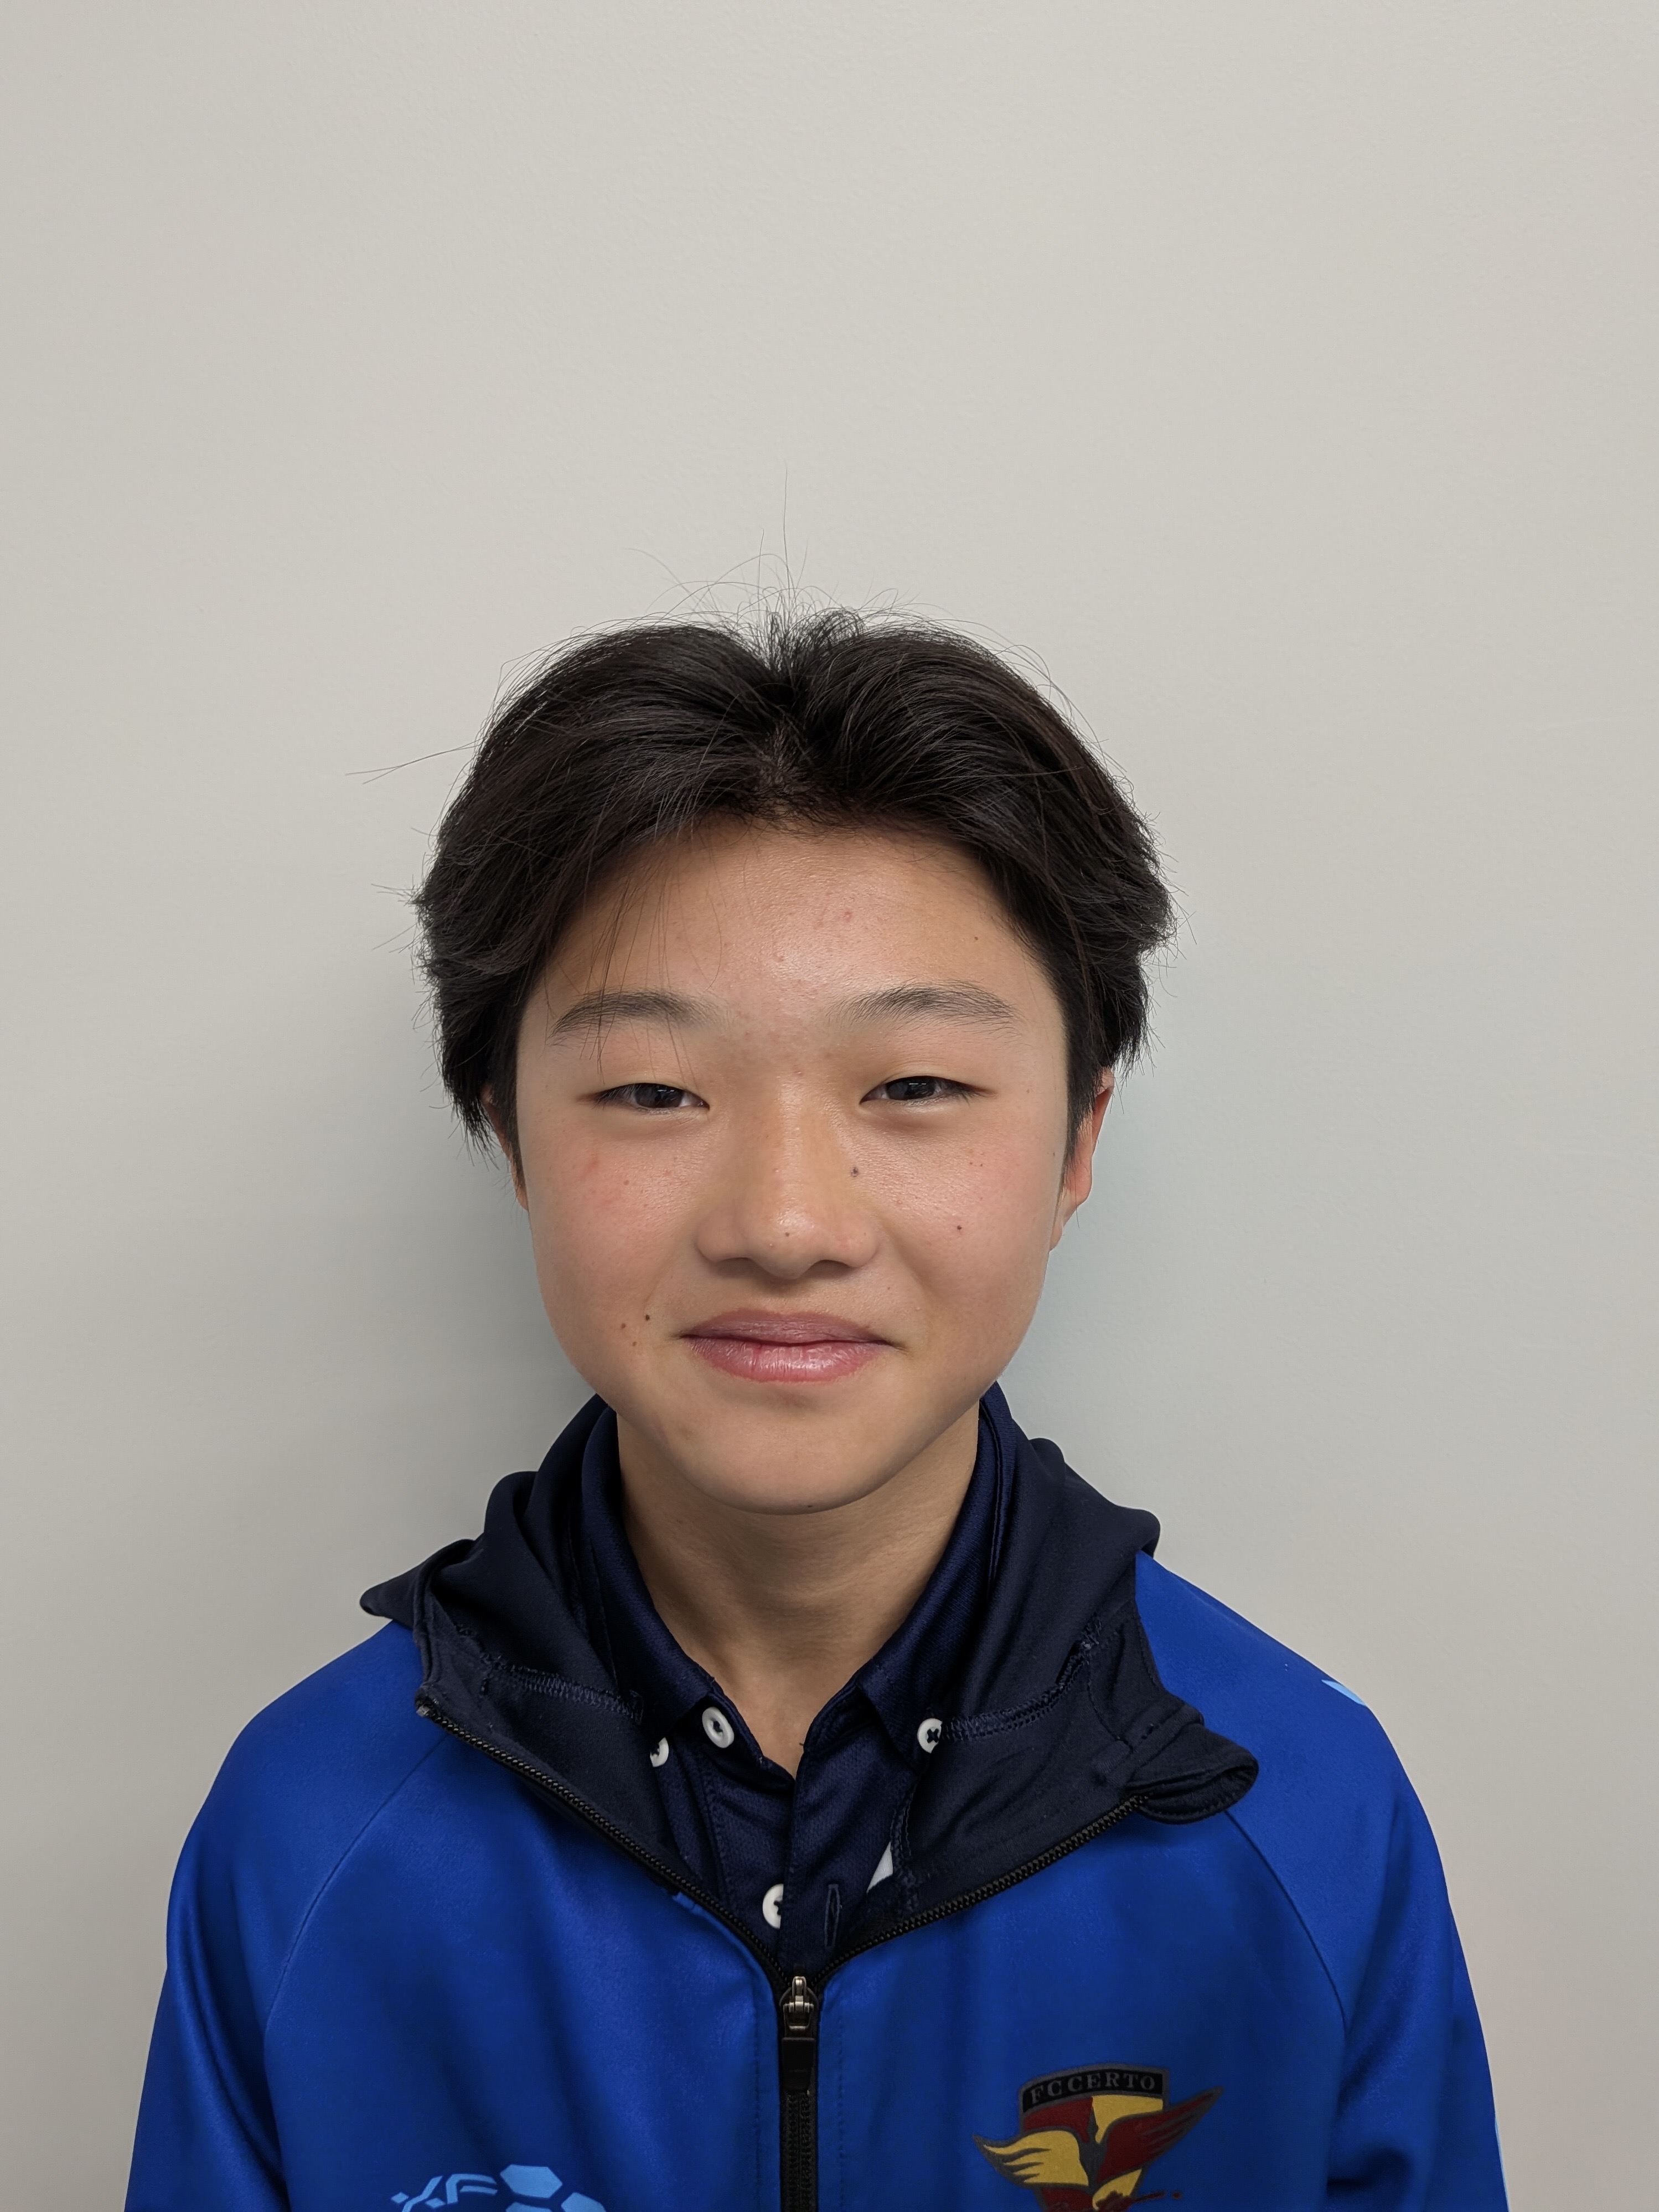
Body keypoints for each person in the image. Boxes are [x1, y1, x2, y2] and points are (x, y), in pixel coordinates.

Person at [126, 611, 1506, 2212]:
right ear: (509, 1135)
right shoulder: (312, 1833)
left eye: (913, 1086)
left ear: (1077, 1141)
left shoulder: (1301, 1809)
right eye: (652, 1090)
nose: (786, 1223)